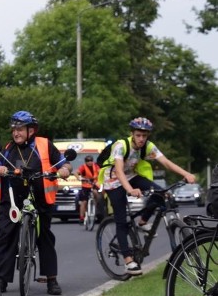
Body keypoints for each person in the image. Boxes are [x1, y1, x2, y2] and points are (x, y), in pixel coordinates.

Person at [101, 117, 195, 275]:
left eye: (144, 136)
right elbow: (118, 170)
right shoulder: (120, 145)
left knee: (161, 193)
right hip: (113, 180)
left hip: (131, 176)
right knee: (121, 219)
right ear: (132, 134)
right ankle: (128, 260)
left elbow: (166, 162)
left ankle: (143, 221)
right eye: (138, 135)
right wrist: (130, 189)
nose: (141, 139)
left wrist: (186, 174)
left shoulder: (148, 146)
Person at [0, 111, 71, 295]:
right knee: (6, 235)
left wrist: (65, 170)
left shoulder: (44, 144)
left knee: (45, 235)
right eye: (14, 129)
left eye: (20, 129)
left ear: (31, 130)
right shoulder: (8, 148)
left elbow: (63, 163)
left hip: (40, 197)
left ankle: (51, 279)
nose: (16, 133)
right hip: (12, 197)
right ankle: (1, 279)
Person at [76, 155, 100, 222]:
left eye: (91, 160)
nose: (89, 162)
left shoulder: (96, 166)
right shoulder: (83, 167)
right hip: (85, 186)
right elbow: (76, 172)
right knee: (84, 201)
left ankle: (96, 205)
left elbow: (100, 172)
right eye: (88, 161)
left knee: (96, 193)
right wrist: (79, 178)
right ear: (85, 162)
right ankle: (81, 217)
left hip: (94, 184)